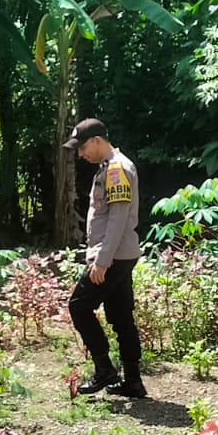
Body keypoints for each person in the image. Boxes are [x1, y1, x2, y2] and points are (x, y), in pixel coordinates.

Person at [64, 118, 146, 398]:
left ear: (98, 140)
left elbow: (118, 218)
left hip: (112, 256)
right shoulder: (109, 168)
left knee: (79, 306)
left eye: (83, 147)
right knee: (122, 315)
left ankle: (104, 370)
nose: (81, 153)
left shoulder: (116, 169)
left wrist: (102, 260)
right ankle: (133, 381)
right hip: (120, 255)